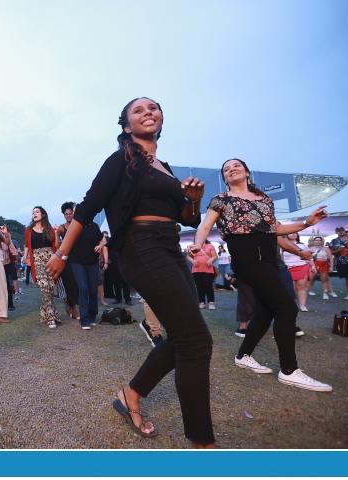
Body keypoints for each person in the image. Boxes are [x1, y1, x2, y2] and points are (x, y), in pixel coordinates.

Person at [46, 97, 214, 446]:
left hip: (170, 246)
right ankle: (203, 444)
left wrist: (194, 198)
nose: (148, 112)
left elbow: (188, 218)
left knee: (185, 336)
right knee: (196, 341)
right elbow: (88, 207)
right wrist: (62, 253)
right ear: (126, 125)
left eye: (153, 107)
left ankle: (130, 395)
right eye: (138, 110)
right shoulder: (120, 159)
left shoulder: (164, 166)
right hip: (141, 247)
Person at [192, 158, 331, 392]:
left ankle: (243, 355)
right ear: (225, 178)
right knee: (286, 308)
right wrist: (197, 244)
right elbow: (205, 226)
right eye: (226, 169)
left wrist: (306, 223)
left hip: (268, 258)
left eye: (236, 166)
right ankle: (289, 370)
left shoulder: (264, 199)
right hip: (247, 258)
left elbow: (276, 229)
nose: (231, 169)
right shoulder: (221, 199)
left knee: (266, 311)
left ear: (247, 172)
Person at [26, 206, 61, 328]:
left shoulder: (49, 229)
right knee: (45, 287)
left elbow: (56, 245)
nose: (34, 214)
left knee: (51, 287)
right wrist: (25, 257)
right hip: (37, 260)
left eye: (37, 212)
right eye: (33, 212)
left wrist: (56, 233)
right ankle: (51, 317)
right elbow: (27, 245)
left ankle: (43, 312)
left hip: (50, 258)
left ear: (43, 214)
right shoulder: (28, 230)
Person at [281, 233, 313, 312]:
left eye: (295, 233)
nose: (293, 234)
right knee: (291, 288)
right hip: (288, 268)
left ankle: (302, 305)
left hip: (302, 266)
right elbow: (280, 257)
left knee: (301, 286)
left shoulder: (302, 245)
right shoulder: (283, 245)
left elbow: (309, 257)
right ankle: (292, 305)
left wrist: (313, 266)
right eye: (291, 233)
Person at [186, 240, 218, 309]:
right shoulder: (193, 247)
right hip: (196, 270)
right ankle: (201, 302)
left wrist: (211, 260)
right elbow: (188, 256)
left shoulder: (210, 246)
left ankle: (211, 302)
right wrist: (193, 261)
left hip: (208, 270)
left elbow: (215, 256)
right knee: (199, 286)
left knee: (208, 286)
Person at [329, 227, 348, 300]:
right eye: (338, 231)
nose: (340, 232)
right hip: (343, 262)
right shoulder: (334, 241)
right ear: (336, 232)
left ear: (344, 231)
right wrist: (338, 250)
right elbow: (330, 252)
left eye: (342, 230)